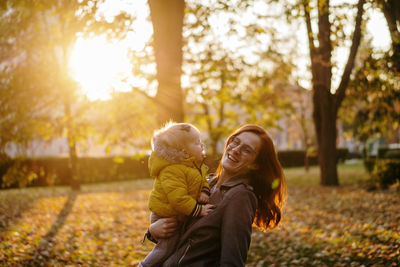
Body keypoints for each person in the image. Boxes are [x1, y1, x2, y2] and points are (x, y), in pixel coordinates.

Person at [144, 124, 286, 266]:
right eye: (235, 142)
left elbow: (232, 261)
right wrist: (153, 231)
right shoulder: (206, 183)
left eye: (247, 150)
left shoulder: (240, 196)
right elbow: (180, 239)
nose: (236, 150)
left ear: (255, 165)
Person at [139, 122, 215, 267]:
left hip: (178, 213)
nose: (202, 145)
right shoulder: (172, 171)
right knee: (165, 249)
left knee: (173, 249)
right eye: (197, 143)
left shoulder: (194, 167)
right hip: (165, 216)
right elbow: (178, 199)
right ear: (185, 153)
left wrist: (204, 191)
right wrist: (199, 210)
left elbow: (203, 180)